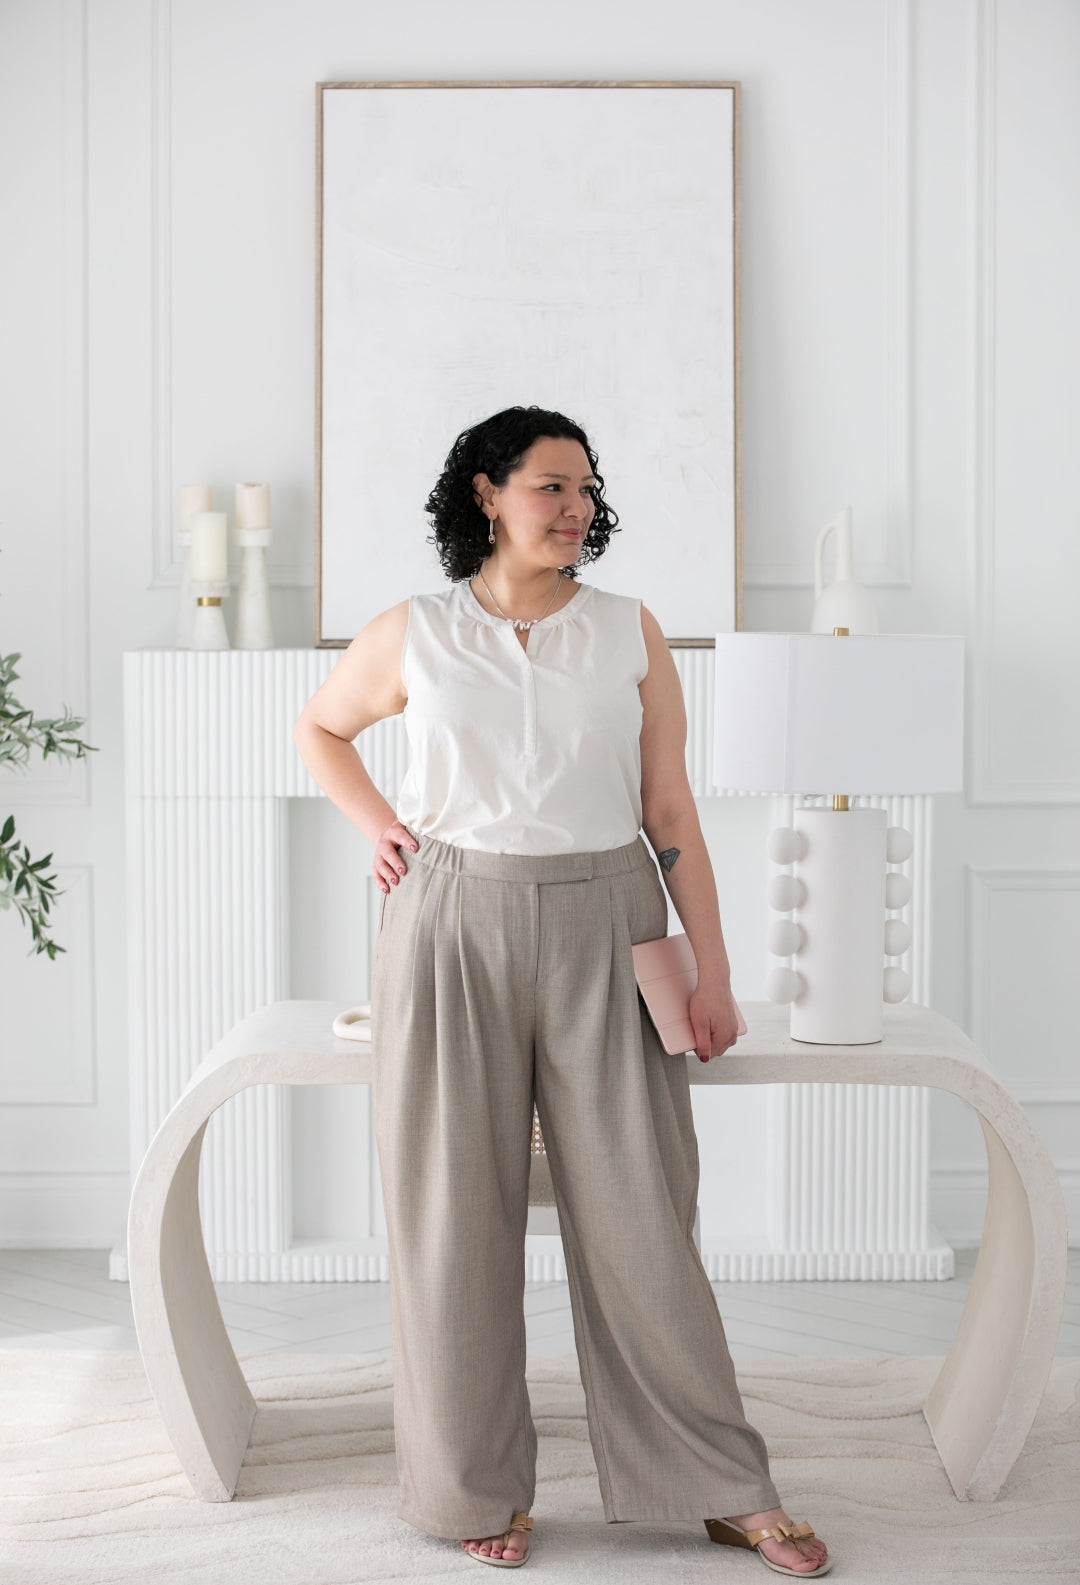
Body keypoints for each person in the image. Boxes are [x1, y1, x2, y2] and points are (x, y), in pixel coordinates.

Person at [294, 405, 832, 1577]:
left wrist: (715, 969)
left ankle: (724, 1484)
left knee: (644, 1214)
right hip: (451, 918)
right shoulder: (415, 631)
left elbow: (669, 807)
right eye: (551, 485)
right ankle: (471, 1488)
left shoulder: (628, 630)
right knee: (452, 1217)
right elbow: (322, 728)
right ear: (487, 493)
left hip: (610, 917)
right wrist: (381, 825)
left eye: (587, 488)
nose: (577, 507)